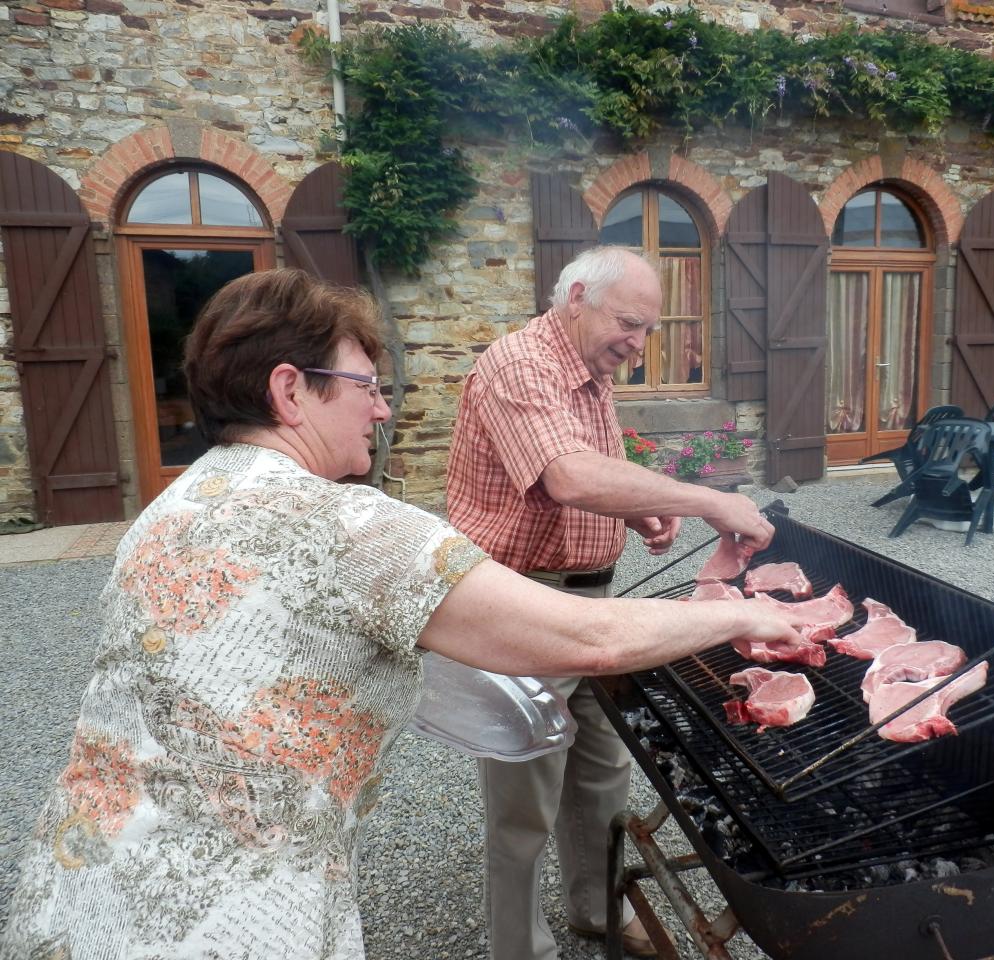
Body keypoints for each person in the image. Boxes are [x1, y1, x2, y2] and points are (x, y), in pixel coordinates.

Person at [0, 268, 802, 960]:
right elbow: (585, 636)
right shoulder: (350, 527)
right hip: (232, 918)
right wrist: (740, 617)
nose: (382, 412)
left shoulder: (170, 507)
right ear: (289, 390)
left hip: (80, 889)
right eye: (366, 388)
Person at [446, 246, 777, 960]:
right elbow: (567, 477)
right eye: (629, 322)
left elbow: (593, 470)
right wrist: (711, 499)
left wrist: (634, 512)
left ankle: (595, 910)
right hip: (522, 604)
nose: (637, 342)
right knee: (522, 801)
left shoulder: (591, 373)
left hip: (596, 604)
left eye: (649, 330)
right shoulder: (519, 364)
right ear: (575, 299)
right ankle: (519, 948)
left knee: (602, 773)